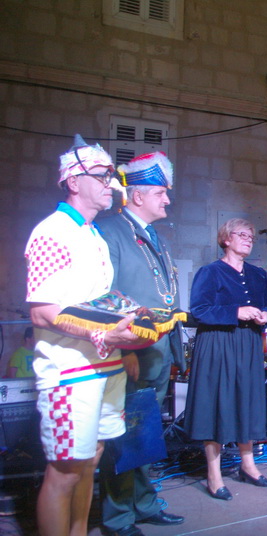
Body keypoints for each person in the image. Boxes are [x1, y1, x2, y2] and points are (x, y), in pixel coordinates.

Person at [25, 135, 151, 536]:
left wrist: (127, 331)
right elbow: (42, 311)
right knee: (64, 472)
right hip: (69, 372)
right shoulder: (52, 231)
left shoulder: (94, 235)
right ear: (74, 181)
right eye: (102, 175)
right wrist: (102, 336)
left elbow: (98, 302)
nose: (111, 184)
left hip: (105, 367)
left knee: (90, 463)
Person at [96, 152, 185, 534]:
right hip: (130, 353)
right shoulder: (110, 231)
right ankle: (118, 518)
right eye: (160, 193)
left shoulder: (155, 236)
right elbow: (104, 297)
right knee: (124, 435)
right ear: (136, 196)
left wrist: (175, 351)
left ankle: (145, 503)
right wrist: (121, 351)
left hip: (158, 352)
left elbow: (167, 298)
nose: (167, 200)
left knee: (146, 433)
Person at [184, 218, 267, 500]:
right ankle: (214, 474)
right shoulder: (210, 272)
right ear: (226, 239)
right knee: (217, 403)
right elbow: (198, 310)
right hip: (217, 344)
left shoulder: (258, 274)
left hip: (248, 343)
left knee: (247, 400)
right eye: (242, 235)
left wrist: (265, 316)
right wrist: (236, 312)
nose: (249, 239)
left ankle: (248, 465)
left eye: (251, 236)